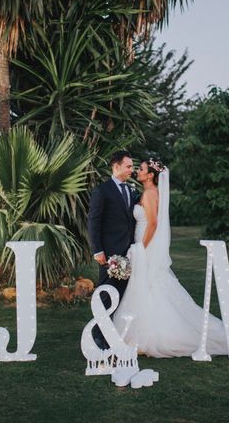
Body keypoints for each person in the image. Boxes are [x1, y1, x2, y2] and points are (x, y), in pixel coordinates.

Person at [113, 158, 229, 358]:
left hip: (145, 246)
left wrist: (141, 247)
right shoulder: (147, 193)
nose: (137, 171)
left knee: (148, 287)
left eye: (141, 169)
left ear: (150, 175)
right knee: (148, 287)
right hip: (143, 244)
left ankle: (152, 336)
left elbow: (153, 225)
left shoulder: (150, 194)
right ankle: (141, 334)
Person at [87, 150, 137, 349]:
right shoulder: (102, 191)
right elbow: (93, 221)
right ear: (116, 166)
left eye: (132, 167)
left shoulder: (131, 191)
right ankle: (98, 335)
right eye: (128, 166)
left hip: (129, 252)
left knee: (123, 294)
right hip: (109, 254)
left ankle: (114, 332)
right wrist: (97, 250)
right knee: (106, 293)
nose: (131, 170)